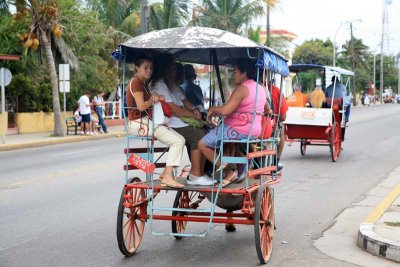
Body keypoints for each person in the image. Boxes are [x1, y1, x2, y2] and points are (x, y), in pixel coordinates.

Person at [198, 57, 267, 186]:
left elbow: (225, 111)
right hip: (253, 130)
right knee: (229, 144)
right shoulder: (260, 88)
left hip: (237, 129)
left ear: (244, 73)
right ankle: (242, 163)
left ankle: (228, 169)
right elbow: (266, 108)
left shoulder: (242, 88)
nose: (233, 75)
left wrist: (212, 109)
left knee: (202, 144)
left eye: (235, 72)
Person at [151, 54, 213, 186]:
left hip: (180, 121)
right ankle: (195, 174)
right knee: (199, 136)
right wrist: (192, 114)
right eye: (172, 68)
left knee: (206, 132)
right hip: (170, 123)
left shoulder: (172, 85)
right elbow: (174, 109)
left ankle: (201, 172)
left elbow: (185, 102)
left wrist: (195, 110)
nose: (175, 71)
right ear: (164, 68)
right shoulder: (160, 85)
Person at [127, 56, 186, 189]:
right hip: (139, 123)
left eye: (151, 68)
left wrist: (155, 97)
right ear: (137, 68)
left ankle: (166, 173)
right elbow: (141, 106)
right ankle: (168, 177)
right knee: (177, 142)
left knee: (180, 139)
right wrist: (153, 99)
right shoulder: (136, 82)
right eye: (145, 68)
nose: (149, 71)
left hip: (147, 122)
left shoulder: (143, 83)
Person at [268, 81, 288, 174]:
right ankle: (276, 163)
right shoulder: (275, 91)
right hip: (267, 128)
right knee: (281, 128)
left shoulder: (242, 87)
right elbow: (283, 117)